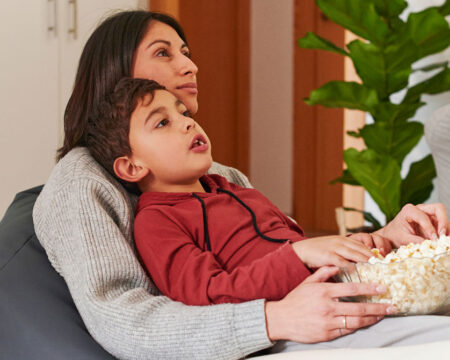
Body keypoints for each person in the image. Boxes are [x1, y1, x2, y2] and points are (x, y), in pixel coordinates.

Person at [33, 10, 450, 359]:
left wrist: (384, 243)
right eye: (163, 53)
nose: (190, 65)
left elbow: (296, 258)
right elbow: (125, 322)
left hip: (319, 311)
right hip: (268, 338)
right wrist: (273, 320)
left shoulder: (223, 180)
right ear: (118, 73)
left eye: (186, 52)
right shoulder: (82, 182)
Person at [86, 77, 394, 307]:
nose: (187, 124)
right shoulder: (157, 222)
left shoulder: (235, 189)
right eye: (163, 122)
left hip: (337, 294)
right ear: (131, 167)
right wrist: (298, 256)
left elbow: (297, 246)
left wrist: (352, 249)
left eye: (185, 114)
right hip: (295, 324)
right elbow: (207, 293)